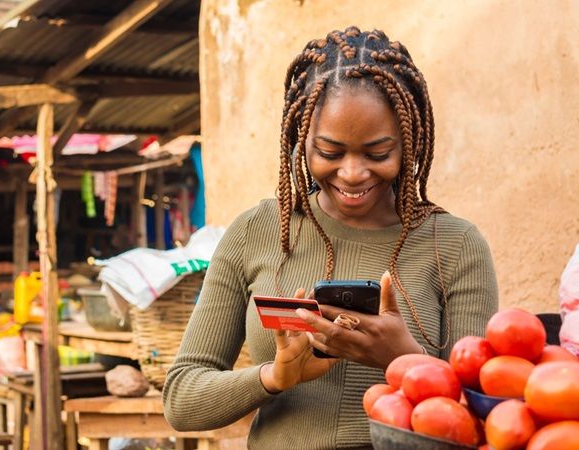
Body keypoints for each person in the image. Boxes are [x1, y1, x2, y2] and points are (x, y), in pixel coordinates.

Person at [163, 26, 498, 449]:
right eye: (329, 152)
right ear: (299, 141)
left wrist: (402, 357)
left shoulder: (453, 245)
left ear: (409, 143)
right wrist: (274, 377)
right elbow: (181, 400)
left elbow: (488, 417)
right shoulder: (256, 231)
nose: (353, 173)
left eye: (378, 154)